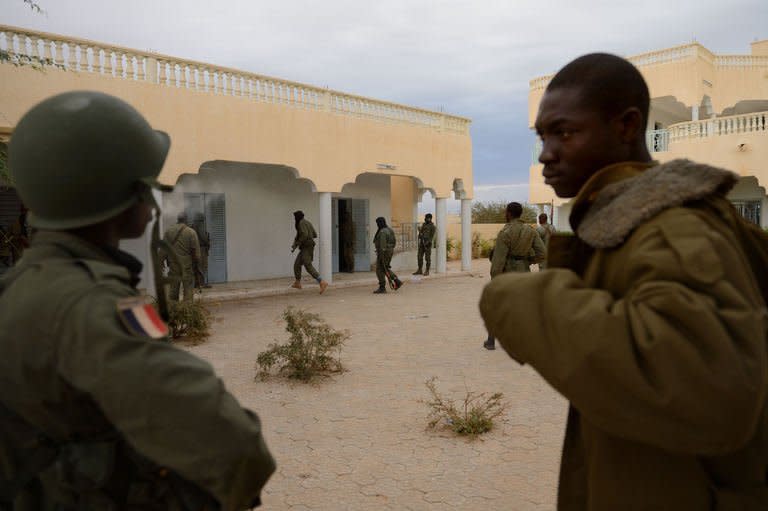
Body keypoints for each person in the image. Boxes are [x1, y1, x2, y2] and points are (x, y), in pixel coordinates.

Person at [479, 54, 768, 509]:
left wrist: (518, 298)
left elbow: (708, 390)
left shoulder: (672, 229)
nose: (546, 153)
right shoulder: (626, 223)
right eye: (542, 136)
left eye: (565, 132)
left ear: (627, 126)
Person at [1, 91, 275, 509]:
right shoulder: (89, 304)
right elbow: (235, 445)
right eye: (149, 181)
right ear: (127, 194)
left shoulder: (21, 285)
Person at [483, 202, 545, 350]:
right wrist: (528, 261)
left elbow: (498, 260)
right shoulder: (531, 231)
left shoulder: (505, 232)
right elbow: (542, 253)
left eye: (506, 212)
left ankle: (491, 341)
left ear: (509, 213)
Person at [163, 211, 201, 302]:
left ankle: (174, 310)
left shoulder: (169, 231)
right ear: (186, 220)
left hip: (173, 265)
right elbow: (197, 255)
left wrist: (161, 263)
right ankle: (187, 311)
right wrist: (197, 267)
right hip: (186, 266)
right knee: (188, 291)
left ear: (178, 219)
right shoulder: (191, 232)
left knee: (173, 291)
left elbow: (163, 250)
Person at [291, 210, 328, 293]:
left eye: (295, 217)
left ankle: (322, 282)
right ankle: (297, 283)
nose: (294, 219)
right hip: (306, 246)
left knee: (308, 265)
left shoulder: (301, 223)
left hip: (306, 247)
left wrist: (298, 243)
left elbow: (304, 234)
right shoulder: (307, 222)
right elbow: (314, 234)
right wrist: (297, 244)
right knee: (297, 264)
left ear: (297, 217)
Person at [373, 216, 403, 293]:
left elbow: (382, 246)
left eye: (377, 223)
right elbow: (394, 242)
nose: (377, 225)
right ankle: (396, 281)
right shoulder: (390, 230)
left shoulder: (382, 232)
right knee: (384, 268)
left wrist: (381, 255)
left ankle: (382, 287)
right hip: (389, 251)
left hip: (384, 252)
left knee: (379, 269)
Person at [192, 212, 212, 287]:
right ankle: (201, 283)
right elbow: (203, 237)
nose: (204, 222)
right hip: (201, 249)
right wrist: (207, 240)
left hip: (196, 249)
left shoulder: (193, 226)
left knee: (197, 266)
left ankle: (198, 283)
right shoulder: (199, 226)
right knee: (202, 266)